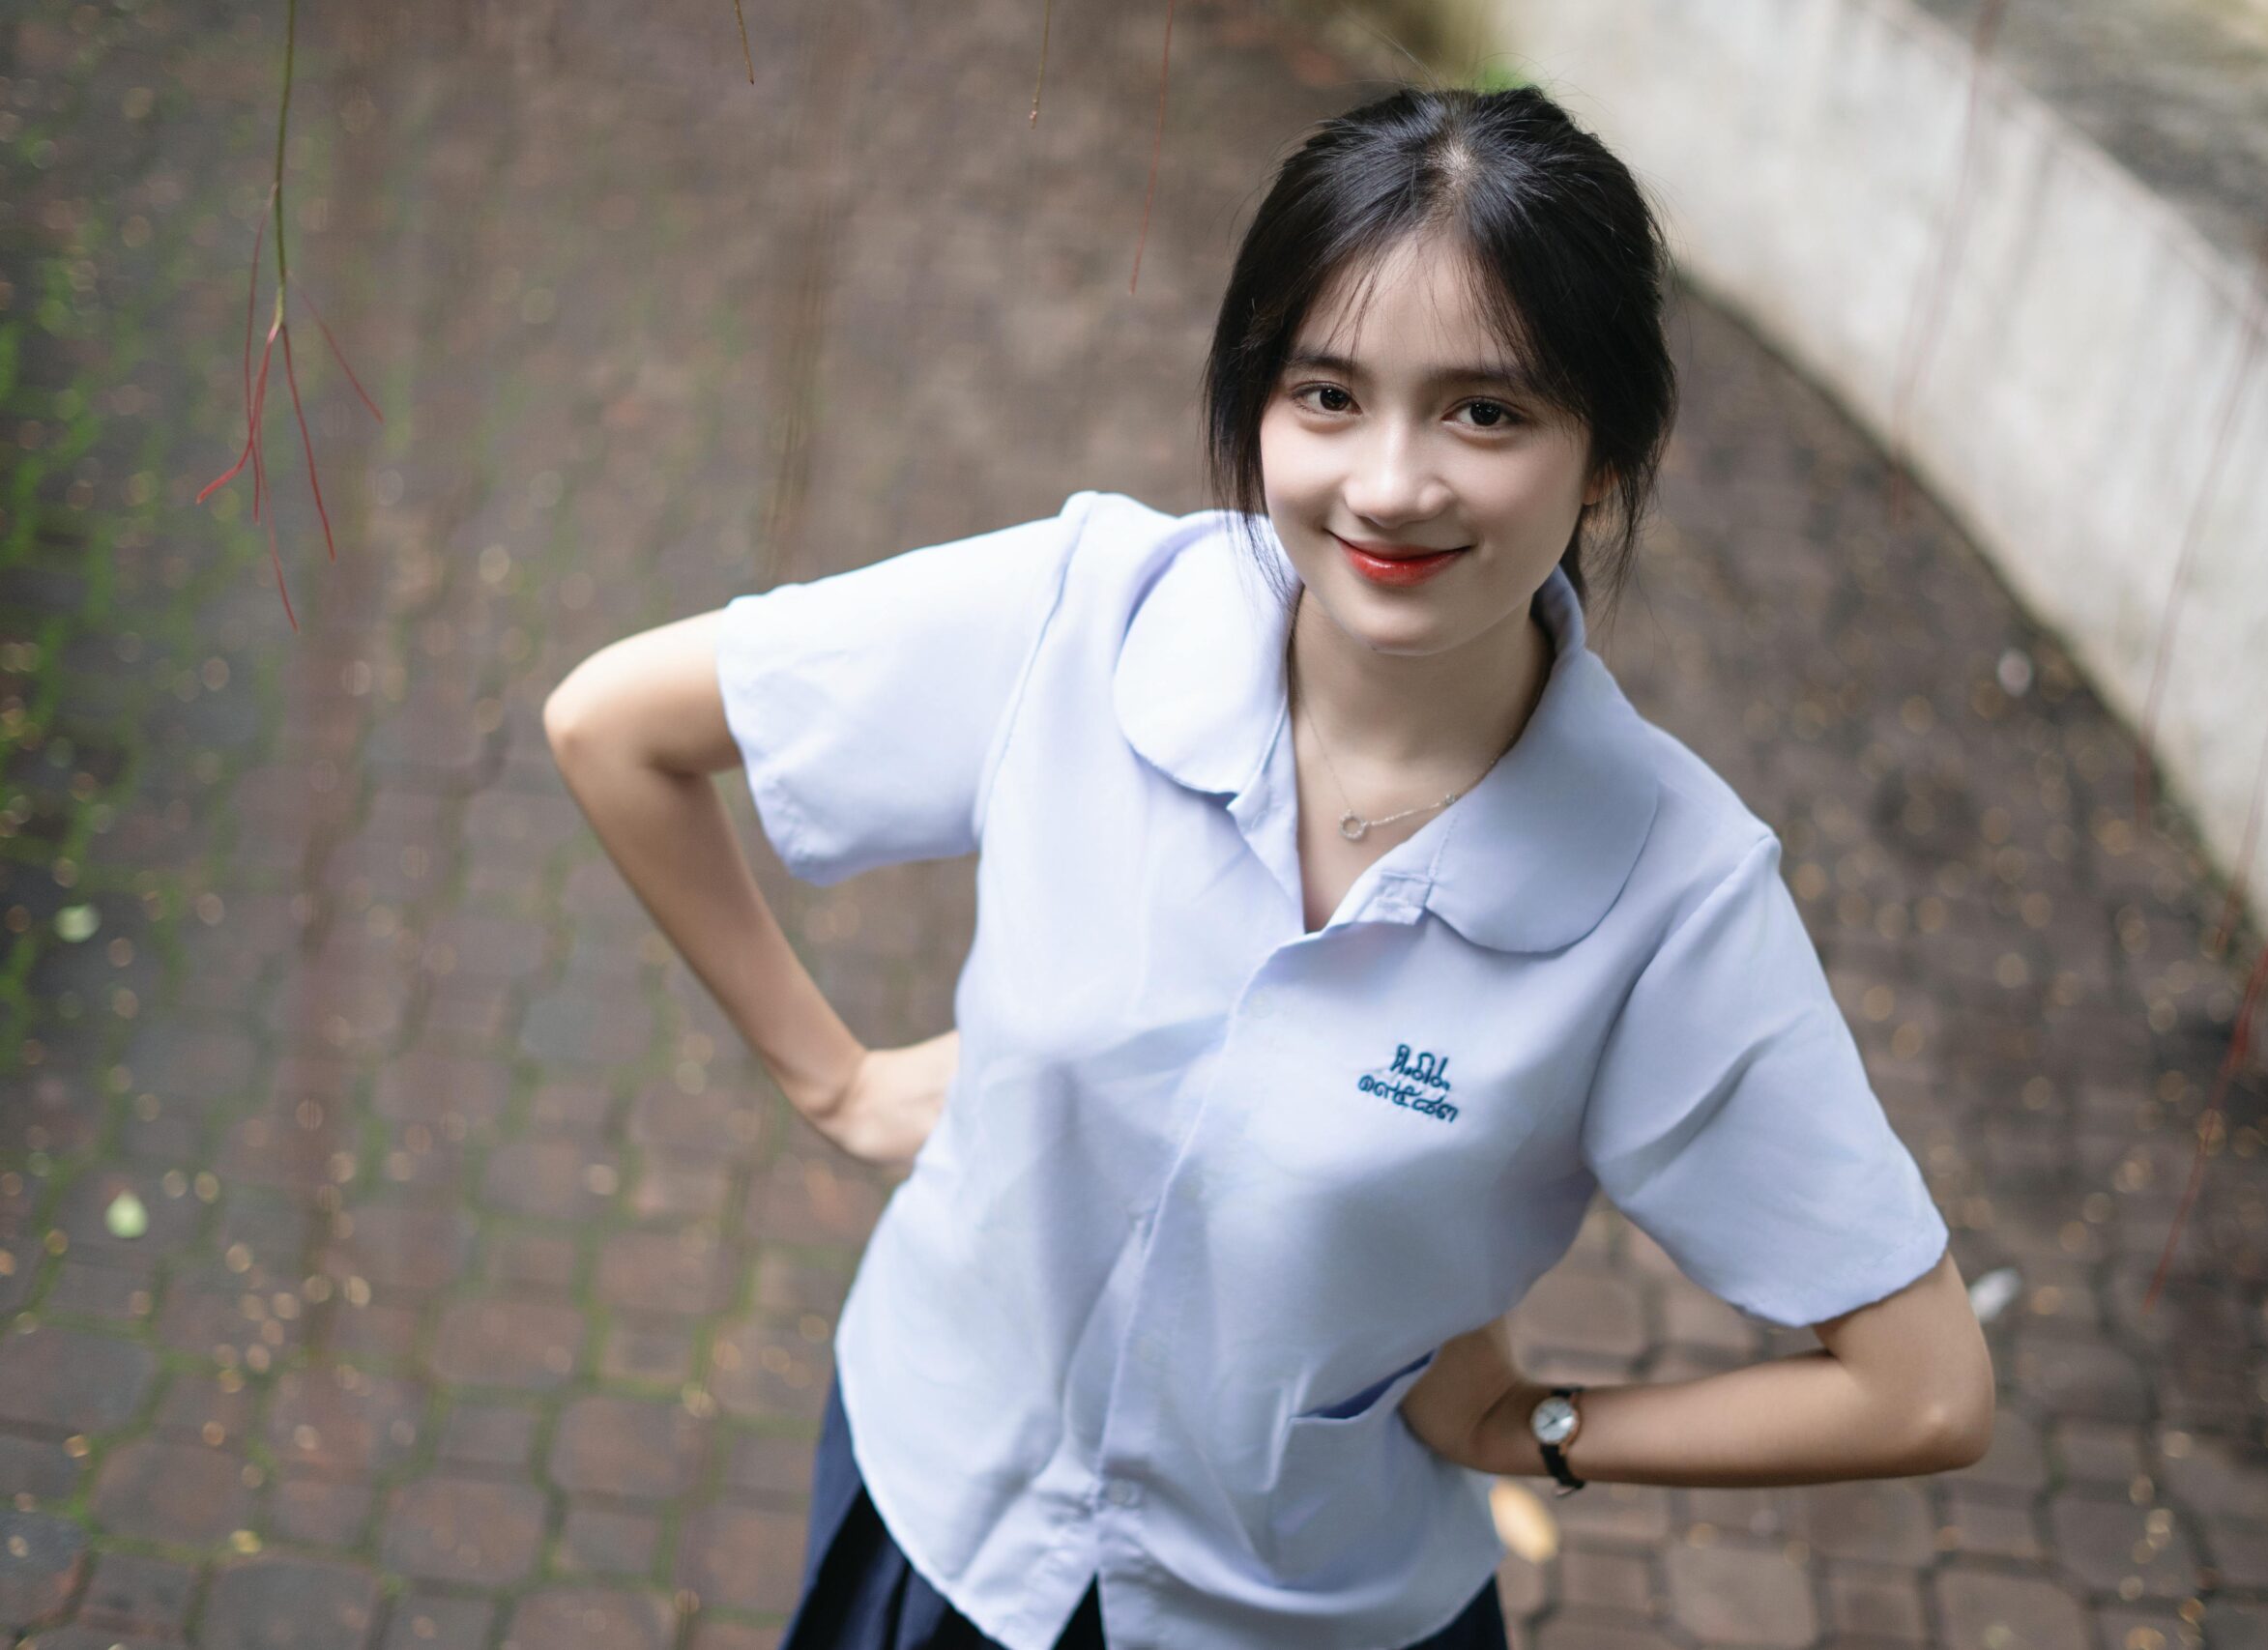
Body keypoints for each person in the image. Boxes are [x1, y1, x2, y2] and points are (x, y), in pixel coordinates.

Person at [544, 82, 1995, 1650]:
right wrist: (833, 1080)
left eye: (1485, 411)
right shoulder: (1087, 615)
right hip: (948, 1513)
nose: (1388, 484)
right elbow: (614, 726)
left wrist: (1541, 1432)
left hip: (1305, 1618)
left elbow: (1920, 1387)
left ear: (1606, 454)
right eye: (1325, 396)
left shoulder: (1672, 895)